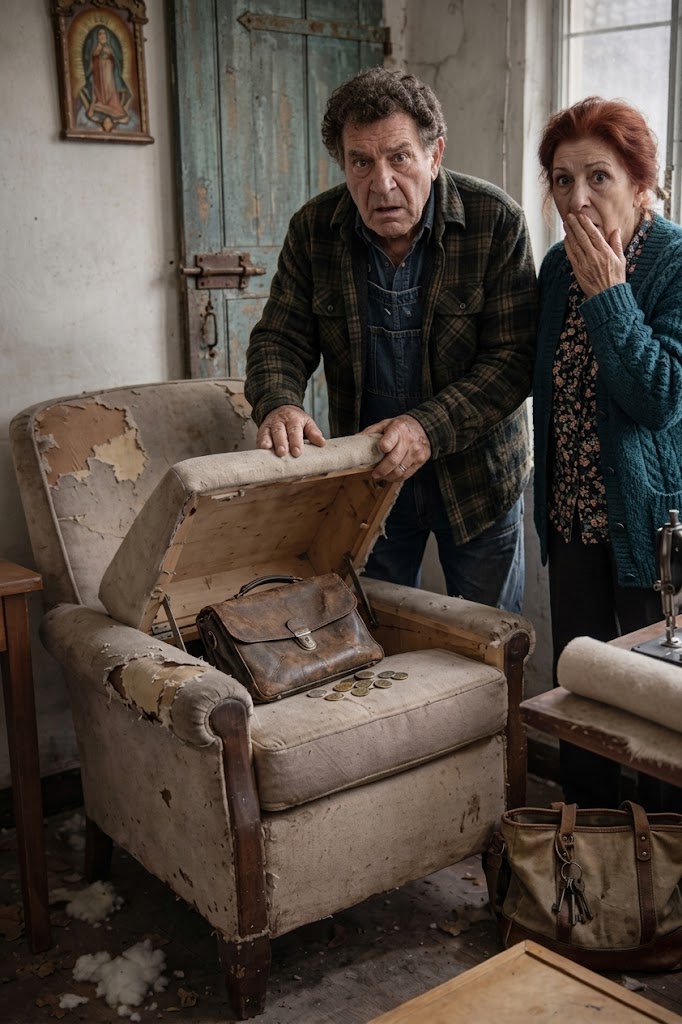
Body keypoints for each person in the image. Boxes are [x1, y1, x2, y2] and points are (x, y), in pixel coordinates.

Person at [245, 67, 537, 613]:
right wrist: (279, 401)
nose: (381, 184)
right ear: (344, 165)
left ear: (435, 154)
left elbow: (514, 360)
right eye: (361, 162)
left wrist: (427, 427)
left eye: (399, 156)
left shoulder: (496, 221)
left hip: (478, 484)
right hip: (369, 483)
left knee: (489, 647)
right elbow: (279, 339)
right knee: (375, 637)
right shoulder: (313, 231)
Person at [533, 96, 682, 809]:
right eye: (563, 180)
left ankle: (665, 879)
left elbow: (659, 396)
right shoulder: (557, 268)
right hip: (571, 524)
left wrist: (611, 296)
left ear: (640, 184)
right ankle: (583, 858)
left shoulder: (675, 264)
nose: (578, 197)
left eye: (599, 177)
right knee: (580, 698)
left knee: (660, 711)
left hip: (653, 530)